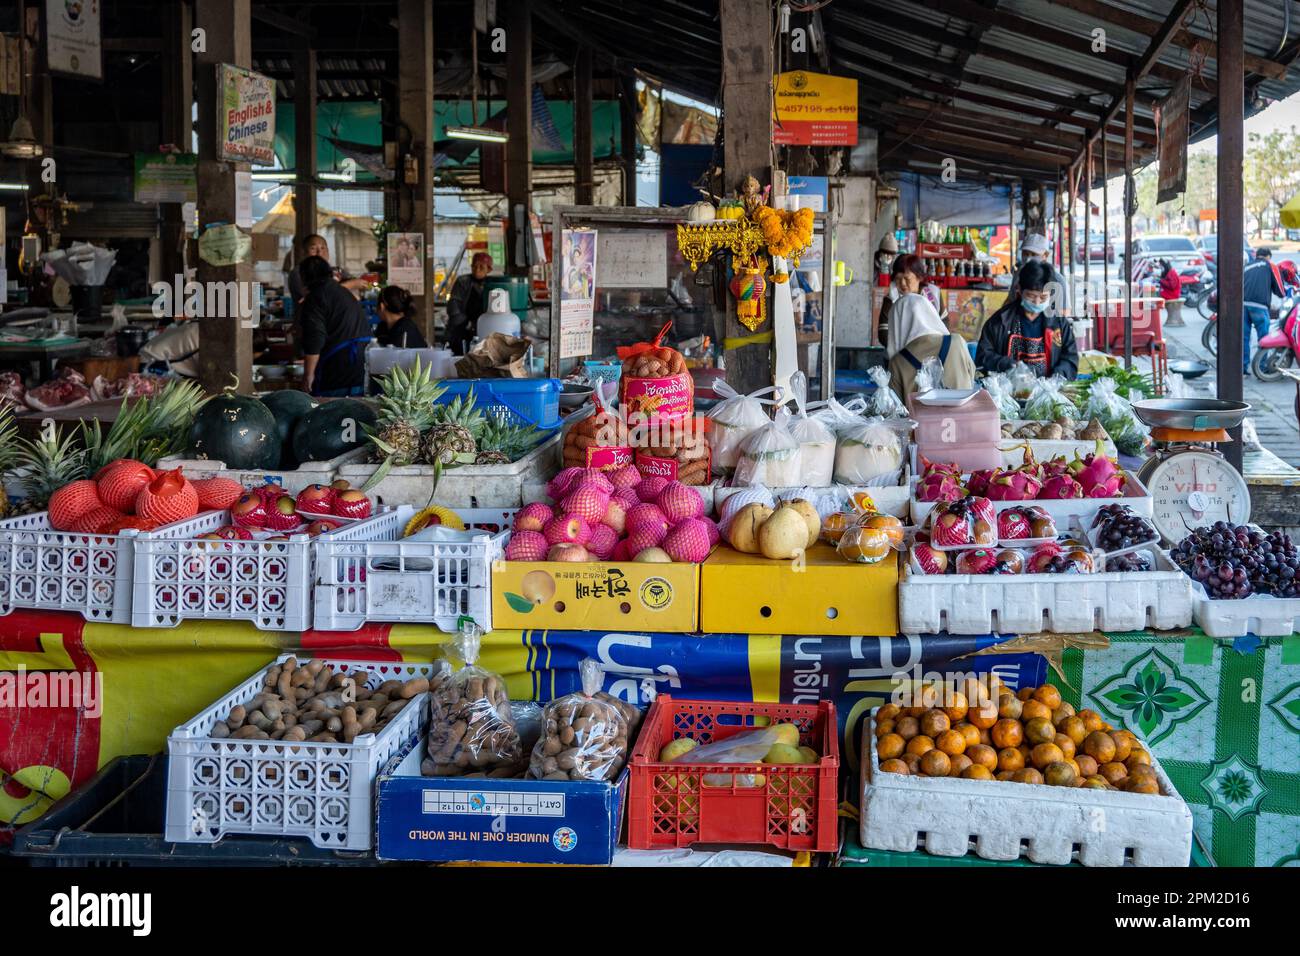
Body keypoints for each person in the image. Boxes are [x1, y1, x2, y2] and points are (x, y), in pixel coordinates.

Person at [977, 258, 1079, 380]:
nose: (1036, 302)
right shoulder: (1000, 321)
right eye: (1031, 296)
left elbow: (1070, 358)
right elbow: (982, 357)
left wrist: (1056, 378)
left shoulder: (1059, 323)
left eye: (1042, 298)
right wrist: (1009, 366)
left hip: (1047, 391)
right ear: (1019, 289)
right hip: (1008, 391)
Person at [298, 255, 372, 396]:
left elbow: (315, 338)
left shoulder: (316, 297)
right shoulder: (341, 292)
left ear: (303, 277)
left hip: (338, 369)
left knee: (332, 412)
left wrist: (308, 375)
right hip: (360, 365)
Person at [887, 289, 977, 400]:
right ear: (930, 313)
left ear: (897, 324)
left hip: (919, 418)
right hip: (963, 416)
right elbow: (971, 375)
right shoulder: (957, 342)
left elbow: (895, 407)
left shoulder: (897, 362)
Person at [284, 234, 368, 303]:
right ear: (304, 253)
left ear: (328, 251)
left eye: (323, 248)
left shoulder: (336, 270)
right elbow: (314, 298)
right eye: (313, 248)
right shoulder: (298, 273)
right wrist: (350, 285)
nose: (319, 252)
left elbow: (357, 287)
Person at [1008, 233, 1071, 317]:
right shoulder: (1018, 275)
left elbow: (1064, 312)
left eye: (1034, 254)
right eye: (1025, 254)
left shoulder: (1058, 280)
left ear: (1045, 255)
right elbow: (1011, 300)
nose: (1028, 259)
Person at [877, 253, 930, 350]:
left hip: (929, 352)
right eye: (898, 279)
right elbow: (883, 334)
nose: (902, 283)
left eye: (907, 278)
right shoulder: (890, 300)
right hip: (900, 356)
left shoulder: (932, 295)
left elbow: (943, 324)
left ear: (919, 277)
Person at [1244, 246, 1284, 374]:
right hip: (1259, 306)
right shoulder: (1270, 265)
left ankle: (1243, 369)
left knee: (1244, 337)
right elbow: (1280, 290)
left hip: (1243, 305)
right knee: (1264, 337)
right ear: (1268, 256)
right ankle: (1261, 368)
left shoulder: (1247, 266)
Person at [445, 252, 492, 354]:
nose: (477, 270)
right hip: (462, 329)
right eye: (474, 266)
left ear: (489, 269)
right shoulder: (462, 282)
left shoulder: (491, 284)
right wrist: (467, 323)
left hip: (482, 329)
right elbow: (453, 306)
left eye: (481, 267)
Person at [1158, 259, 1184, 327]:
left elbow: (1172, 286)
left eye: (1161, 265)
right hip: (1168, 293)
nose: (1160, 267)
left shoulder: (1172, 273)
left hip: (1172, 295)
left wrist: (1161, 281)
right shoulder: (1169, 272)